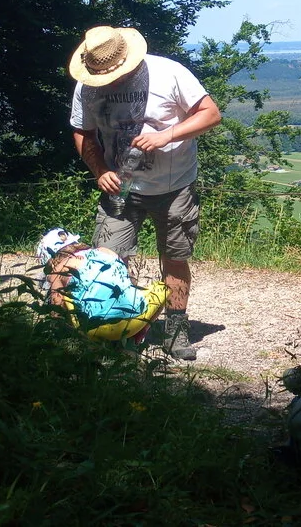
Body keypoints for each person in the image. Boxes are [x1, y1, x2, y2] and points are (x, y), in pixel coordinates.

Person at [68, 25, 222, 360]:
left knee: (174, 258)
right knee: (108, 259)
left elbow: (211, 114)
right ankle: (118, 328)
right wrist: (100, 171)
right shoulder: (87, 84)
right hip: (120, 188)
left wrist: (166, 135)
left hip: (175, 185)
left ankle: (176, 330)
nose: (110, 80)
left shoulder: (169, 73)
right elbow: (83, 131)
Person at [35, 228, 166, 342]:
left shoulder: (58, 269)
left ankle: (85, 343)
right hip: (138, 318)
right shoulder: (105, 251)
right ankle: (137, 335)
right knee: (163, 289)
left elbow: (56, 307)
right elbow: (130, 281)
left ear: (49, 259)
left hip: (97, 328)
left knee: (67, 298)